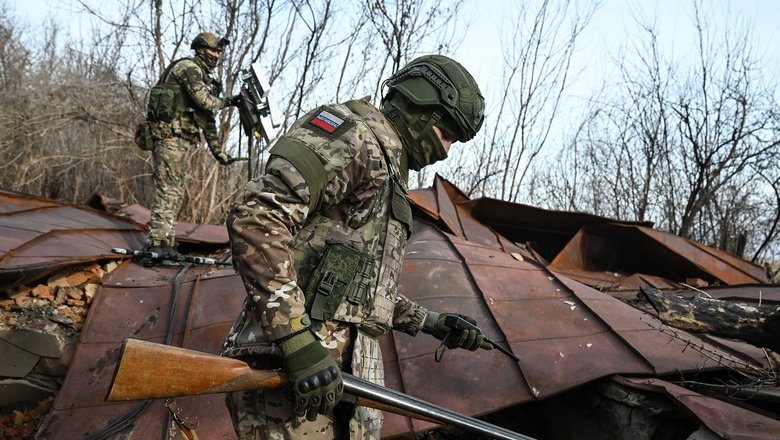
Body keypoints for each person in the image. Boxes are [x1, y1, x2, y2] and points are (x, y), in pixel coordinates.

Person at [221, 54, 489, 439]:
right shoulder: (352, 135)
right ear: (422, 109)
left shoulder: (388, 171)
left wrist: (431, 323)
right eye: (447, 135)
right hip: (289, 375)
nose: (446, 151)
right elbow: (257, 215)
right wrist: (296, 339)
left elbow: (355, 290)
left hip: (348, 379)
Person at [141, 32, 242, 260]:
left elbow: (207, 119)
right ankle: (157, 241)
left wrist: (218, 152)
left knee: (175, 192)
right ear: (200, 49)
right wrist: (230, 101)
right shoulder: (189, 68)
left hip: (181, 141)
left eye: (218, 52)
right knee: (168, 190)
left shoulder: (204, 77)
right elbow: (204, 102)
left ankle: (166, 241)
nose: (216, 55)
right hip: (169, 138)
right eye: (213, 50)